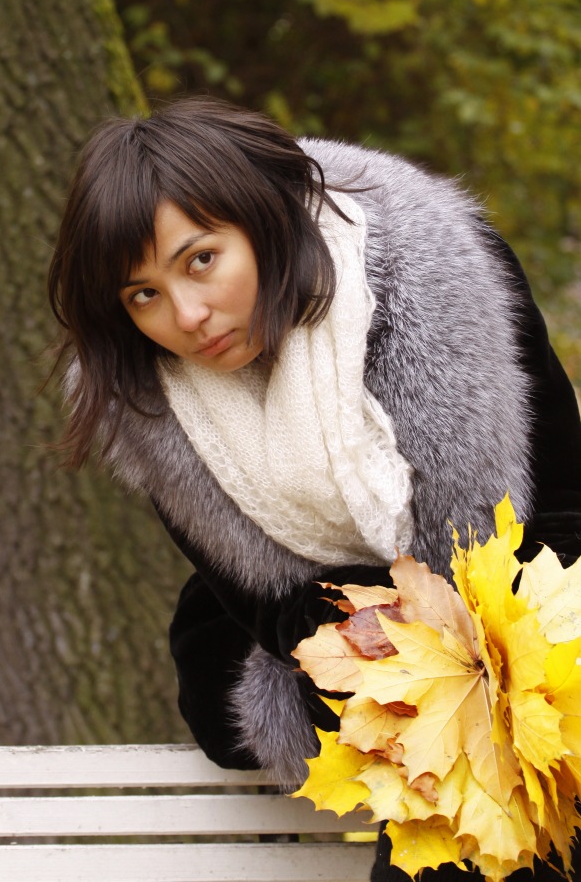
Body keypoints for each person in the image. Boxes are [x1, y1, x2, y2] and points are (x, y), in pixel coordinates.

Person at [48, 96, 581, 881]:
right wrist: (387, 638)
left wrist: (504, 656)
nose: (187, 316)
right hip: (303, 647)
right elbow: (268, 606)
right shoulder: (151, 405)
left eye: (201, 260)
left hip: (531, 589)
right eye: (143, 295)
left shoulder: (438, 272)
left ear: (263, 219)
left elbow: (562, 505)